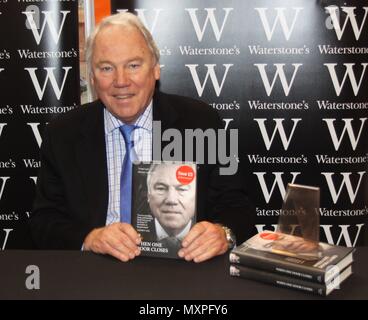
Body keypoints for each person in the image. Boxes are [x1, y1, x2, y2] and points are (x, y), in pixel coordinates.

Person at [29, 12, 251, 263]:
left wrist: (223, 233)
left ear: (155, 69)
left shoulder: (203, 122)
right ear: (92, 77)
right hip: (94, 271)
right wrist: (89, 238)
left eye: (133, 65)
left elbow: (237, 206)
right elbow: (44, 220)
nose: (121, 81)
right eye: (106, 68)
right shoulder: (63, 133)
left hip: (180, 270)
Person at [144, 162, 196, 254]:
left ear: (196, 195)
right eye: (161, 188)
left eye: (182, 189)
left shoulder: (210, 235)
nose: (171, 200)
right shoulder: (133, 232)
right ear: (148, 195)